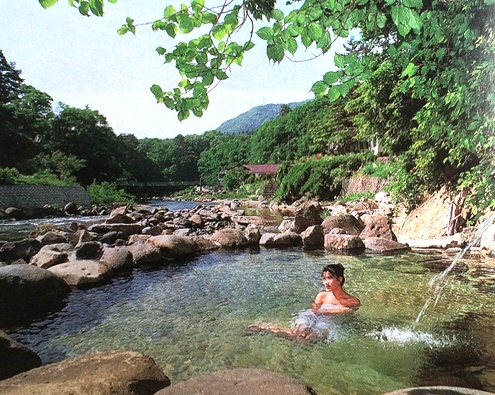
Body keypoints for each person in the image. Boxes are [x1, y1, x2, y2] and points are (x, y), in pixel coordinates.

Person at [247, 263, 360, 343]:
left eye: (329, 278)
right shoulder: (322, 295)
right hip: (311, 317)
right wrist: (339, 310)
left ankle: (267, 328)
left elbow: (348, 315)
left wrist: (338, 310)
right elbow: (315, 310)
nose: (326, 282)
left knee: (306, 341)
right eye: (324, 278)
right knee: (299, 334)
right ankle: (266, 327)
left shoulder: (352, 301)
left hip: (327, 322)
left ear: (340, 279)